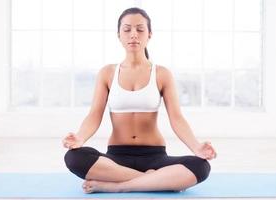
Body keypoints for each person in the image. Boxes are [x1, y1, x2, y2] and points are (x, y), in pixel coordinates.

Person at [62, 7, 217, 193]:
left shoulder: (162, 74)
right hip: (116, 158)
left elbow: (177, 118)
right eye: (127, 30)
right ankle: (159, 181)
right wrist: (79, 138)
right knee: (74, 158)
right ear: (119, 35)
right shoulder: (107, 73)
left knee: (200, 166)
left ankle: (116, 187)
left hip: (155, 157)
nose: (133, 34)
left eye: (140, 29)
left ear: (149, 34)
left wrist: (197, 147)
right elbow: (94, 115)